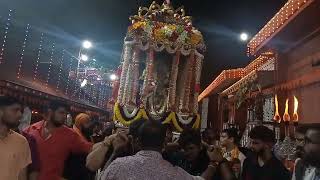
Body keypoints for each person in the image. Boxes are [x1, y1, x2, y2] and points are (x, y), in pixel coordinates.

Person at [101, 120, 236, 180]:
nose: (187, 152)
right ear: (164, 143)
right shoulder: (173, 172)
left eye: (191, 148)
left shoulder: (118, 165)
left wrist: (115, 152)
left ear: (137, 141)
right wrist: (214, 163)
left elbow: (103, 176)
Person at [23, 100, 94, 180]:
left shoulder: (70, 135)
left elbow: (89, 148)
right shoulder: (30, 130)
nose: (64, 116)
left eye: (66, 114)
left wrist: (106, 142)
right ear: (50, 112)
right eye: (61, 113)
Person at [0, 96, 31, 180]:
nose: (20, 115)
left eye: (20, 111)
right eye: (15, 110)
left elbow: (22, 175)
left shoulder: (22, 142)